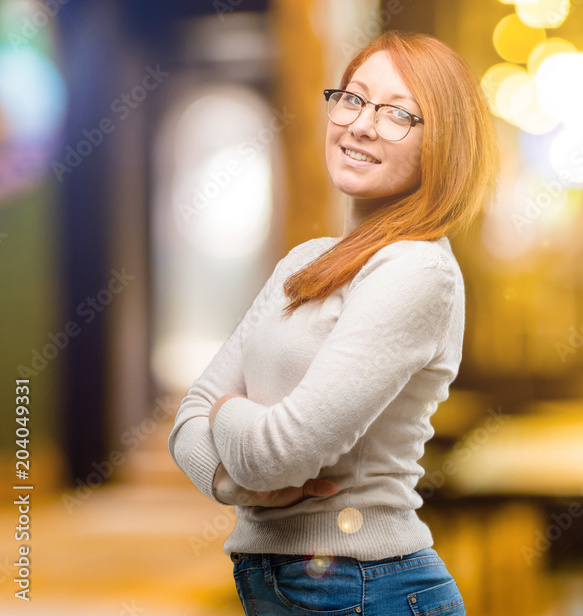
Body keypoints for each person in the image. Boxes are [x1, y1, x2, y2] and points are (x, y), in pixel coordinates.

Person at [168, 29, 498, 616]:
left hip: (367, 588)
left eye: (399, 113)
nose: (363, 124)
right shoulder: (305, 262)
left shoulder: (418, 270)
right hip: (286, 584)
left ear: (441, 144)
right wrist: (232, 483)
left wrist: (226, 416)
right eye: (353, 98)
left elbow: (275, 452)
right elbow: (186, 417)